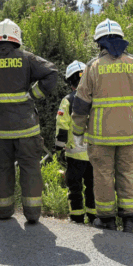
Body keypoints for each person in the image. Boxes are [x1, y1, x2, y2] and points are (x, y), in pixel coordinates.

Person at [0, 19, 58, 223]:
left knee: (1, 168)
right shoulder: (27, 59)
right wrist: (32, 94)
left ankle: (3, 211)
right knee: (30, 168)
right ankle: (33, 214)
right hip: (26, 129)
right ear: (17, 38)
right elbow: (51, 73)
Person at [71, 19, 133, 234]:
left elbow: (80, 106)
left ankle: (107, 221)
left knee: (103, 176)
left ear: (99, 43)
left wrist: (78, 131)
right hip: (130, 134)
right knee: (127, 173)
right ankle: (129, 222)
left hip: (101, 138)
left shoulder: (93, 67)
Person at [55, 61, 96, 225]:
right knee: (93, 187)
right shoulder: (97, 99)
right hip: (95, 153)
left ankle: (77, 218)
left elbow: (62, 126)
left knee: (75, 187)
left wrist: (58, 148)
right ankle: (94, 217)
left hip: (75, 155)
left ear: (69, 81)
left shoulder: (67, 101)